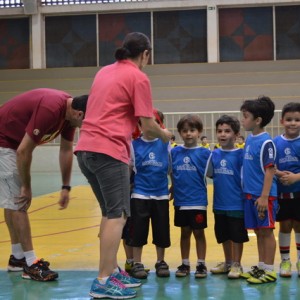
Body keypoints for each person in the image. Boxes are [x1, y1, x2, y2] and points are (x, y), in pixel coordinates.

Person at [75, 32, 172, 299]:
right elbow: (148, 124)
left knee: (109, 214)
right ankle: (103, 280)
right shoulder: (138, 76)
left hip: (86, 150)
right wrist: (166, 135)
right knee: (117, 216)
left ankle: (112, 272)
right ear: (145, 54)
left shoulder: (104, 71)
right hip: (109, 151)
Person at [0, 88, 88, 281]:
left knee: (12, 200)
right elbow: (24, 151)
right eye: (86, 123)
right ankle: (31, 264)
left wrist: (66, 187)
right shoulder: (51, 108)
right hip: (3, 140)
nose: (85, 127)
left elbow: (65, 150)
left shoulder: (68, 116)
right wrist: (27, 186)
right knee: (19, 201)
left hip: (14, 143)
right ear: (80, 114)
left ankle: (17, 258)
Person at [126, 109, 171, 279]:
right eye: (147, 123)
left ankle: (161, 261)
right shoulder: (134, 145)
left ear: (161, 125)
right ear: (140, 125)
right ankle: (137, 262)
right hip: (140, 194)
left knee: (161, 230)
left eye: (156, 123)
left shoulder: (165, 144)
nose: (152, 127)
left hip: (160, 194)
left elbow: (170, 166)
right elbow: (129, 168)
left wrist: (173, 185)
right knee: (138, 231)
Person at [239, 96, 278, 284]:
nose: (242, 120)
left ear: (258, 120)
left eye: (245, 116)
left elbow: (270, 171)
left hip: (263, 197)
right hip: (250, 195)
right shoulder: (249, 139)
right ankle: (262, 266)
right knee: (259, 232)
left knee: (267, 231)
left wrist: (264, 197)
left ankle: (270, 270)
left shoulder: (266, 142)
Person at [207, 115, 249, 279]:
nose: (223, 134)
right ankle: (229, 262)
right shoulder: (214, 154)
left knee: (236, 236)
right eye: (219, 131)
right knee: (223, 234)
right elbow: (210, 174)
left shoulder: (241, 155)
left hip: (237, 204)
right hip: (219, 204)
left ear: (236, 134)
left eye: (227, 131)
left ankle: (237, 264)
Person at [170, 114, 211, 279]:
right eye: (185, 130)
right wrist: (173, 186)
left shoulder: (205, 153)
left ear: (199, 132)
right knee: (184, 232)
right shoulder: (174, 152)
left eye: (192, 130)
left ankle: (201, 263)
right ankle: (185, 263)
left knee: (199, 233)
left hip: (198, 201)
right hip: (181, 200)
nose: (188, 134)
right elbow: (172, 172)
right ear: (180, 133)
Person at [273, 102, 300, 278]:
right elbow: (269, 166)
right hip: (281, 193)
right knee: (285, 226)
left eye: (297, 120)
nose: (293, 123)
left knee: (298, 226)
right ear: (282, 121)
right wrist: (278, 173)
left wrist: (296, 178)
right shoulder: (275, 142)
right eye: (289, 119)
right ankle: (285, 260)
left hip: (298, 193)